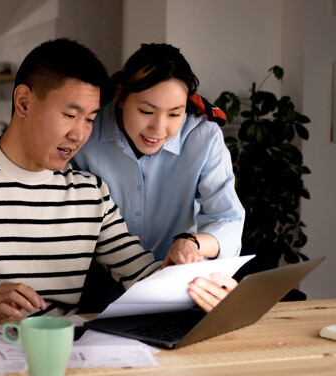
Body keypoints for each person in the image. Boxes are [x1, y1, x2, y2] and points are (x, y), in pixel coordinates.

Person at [0, 39, 234, 327]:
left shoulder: (91, 193)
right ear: (24, 102)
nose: (80, 134)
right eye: (69, 114)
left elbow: (141, 274)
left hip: (60, 362)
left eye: (91, 119)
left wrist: (199, 286)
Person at [73, 43, 244, 309]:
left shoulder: (204, 138)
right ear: (120, 96)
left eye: (175, 114)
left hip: (175, 283)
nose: (158, 129)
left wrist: (192, 244)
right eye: (146, 112)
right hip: (96, 282)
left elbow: (227, 219)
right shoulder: (87, 132)